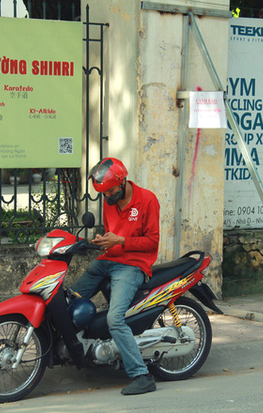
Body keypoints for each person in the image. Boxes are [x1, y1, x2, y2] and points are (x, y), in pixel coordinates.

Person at [72, 157, 160, 395]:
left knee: (115, 319)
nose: (107, 196)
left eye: (110, 191)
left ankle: (141, 375)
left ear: (122, 182)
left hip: (133, 266)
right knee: (71, 299)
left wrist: (120, 240)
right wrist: (103, 240)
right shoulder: (110, 200)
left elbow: (153, 242)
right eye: (103, 192)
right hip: (109, 260)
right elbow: (114, 233)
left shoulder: (147, 200)